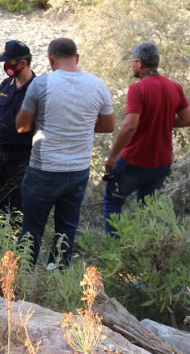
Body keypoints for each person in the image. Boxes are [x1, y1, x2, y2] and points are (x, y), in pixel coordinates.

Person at [15, 38, 115, 267]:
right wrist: (82, 126)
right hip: (78, 169)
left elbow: (21, 126)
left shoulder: (41, 84)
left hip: (44, 168)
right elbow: (108, 126)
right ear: (77, 58)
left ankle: (21, 279)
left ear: (51, 59)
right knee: (66, 230)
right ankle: (56, 275)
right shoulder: (97, 85)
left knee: (32, 228)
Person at [103, 42, 190, 235]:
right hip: (162, 162)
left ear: (139, 63)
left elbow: (130, 125)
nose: (131, 66)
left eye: (132, 62)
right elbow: (189, 119)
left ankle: (116, 254)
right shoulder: (174, 87)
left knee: (113, 200)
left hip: (136, 160)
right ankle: (143, 254)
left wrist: (112, 157)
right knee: (147, 210)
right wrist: (161, 120)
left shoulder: (138, 89)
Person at [0, 40, 36, 220]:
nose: (6, 66)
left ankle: (15, 246)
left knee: (18, 206)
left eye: (9, 63)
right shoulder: (6, 84)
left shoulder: (37, 88)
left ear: (22, 64)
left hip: (22, 156)